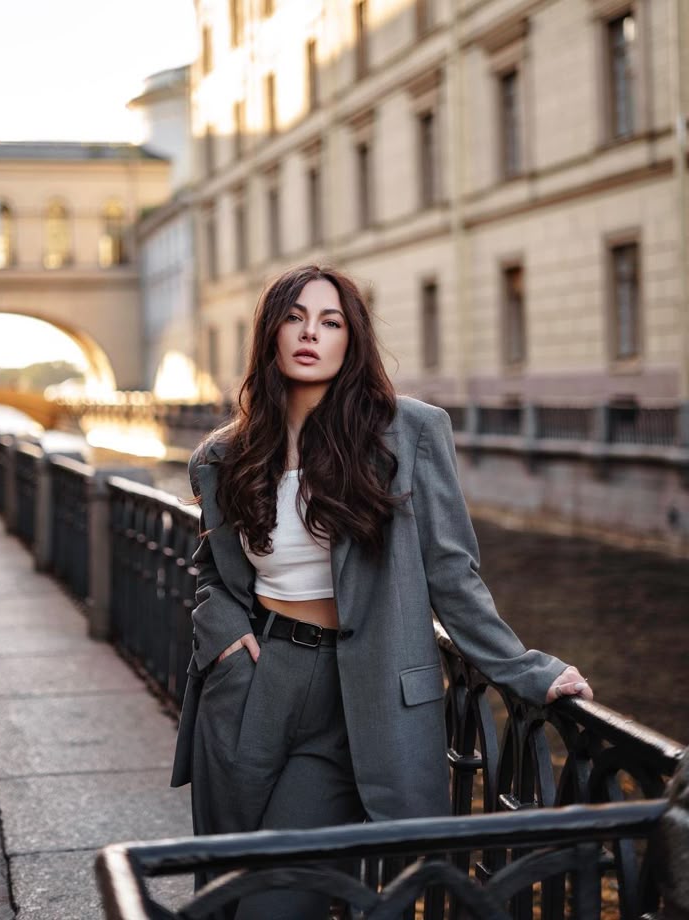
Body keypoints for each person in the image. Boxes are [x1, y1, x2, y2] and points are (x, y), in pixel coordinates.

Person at [171, 264, 592, 919]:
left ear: (352, 338)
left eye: (330, 321)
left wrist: (524, 669)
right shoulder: (223, 457)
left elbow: (452, 574)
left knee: (277, 903)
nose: (311, 334)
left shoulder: (408, 432)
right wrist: (224, 637)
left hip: (357, 691)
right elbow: (213, 573)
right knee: (226, 887)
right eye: (295, 318)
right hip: (252, 683)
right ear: (270, 333)